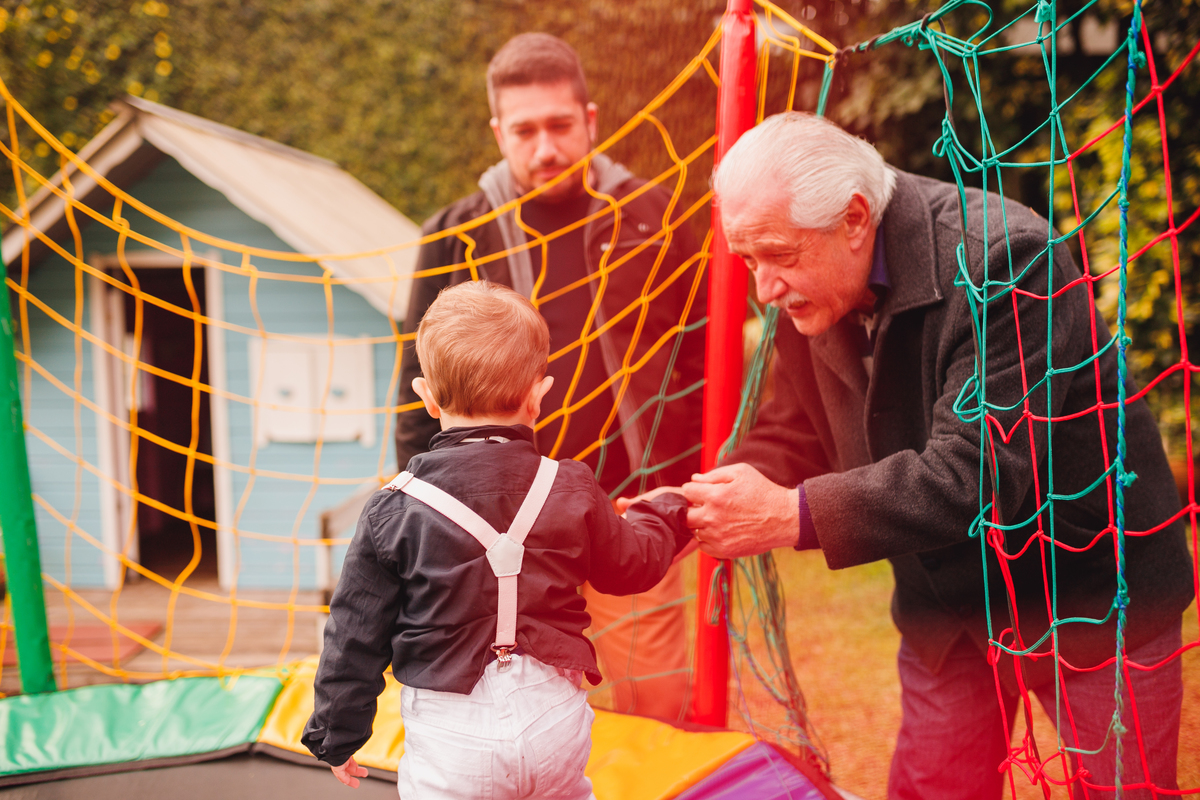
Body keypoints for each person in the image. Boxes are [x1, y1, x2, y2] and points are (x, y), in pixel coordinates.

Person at [663, 112, 1193, 799]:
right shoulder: (805, 284)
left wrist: (791, 516)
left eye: (780, 256)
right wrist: (688, 506)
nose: (764, 288)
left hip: (1089, 591)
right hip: (947, 610)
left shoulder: (1007, 258)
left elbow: (980, 472)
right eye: (749, 260)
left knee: (1124, 792)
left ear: (855, 220)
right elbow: (793, 433)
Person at [394, 32, 705, 719]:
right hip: (502, 537)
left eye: (561, 126)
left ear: (590, 121)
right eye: (525, 131)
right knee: (522, 729)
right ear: (498, 132)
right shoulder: (455, 238)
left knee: (656, 714)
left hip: (632, 517)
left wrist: (680, 491)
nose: (545, 148)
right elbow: (415, 396)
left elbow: (700, 358)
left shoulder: (653, 219)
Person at [302, 281, 692, 799]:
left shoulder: (395, 507)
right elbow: (633, 565)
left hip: (452, 732)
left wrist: (337, 731)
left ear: (427, 397)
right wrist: (664, 512)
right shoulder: (568, 484)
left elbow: (355, 630)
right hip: (554, 717)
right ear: (538, 394)